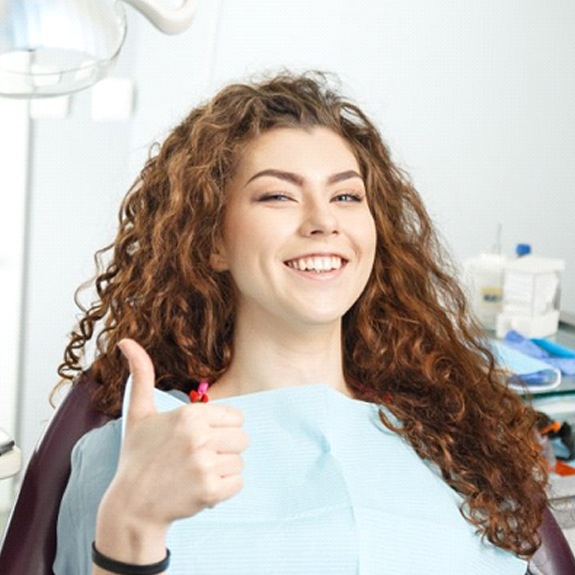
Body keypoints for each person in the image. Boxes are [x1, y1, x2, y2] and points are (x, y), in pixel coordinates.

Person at [53, 71, 548, 575]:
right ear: (212, 242)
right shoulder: (137, 450)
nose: (323, 221)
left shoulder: (456, 442)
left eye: (347, 197)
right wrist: (132, 523)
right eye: (278, 196)